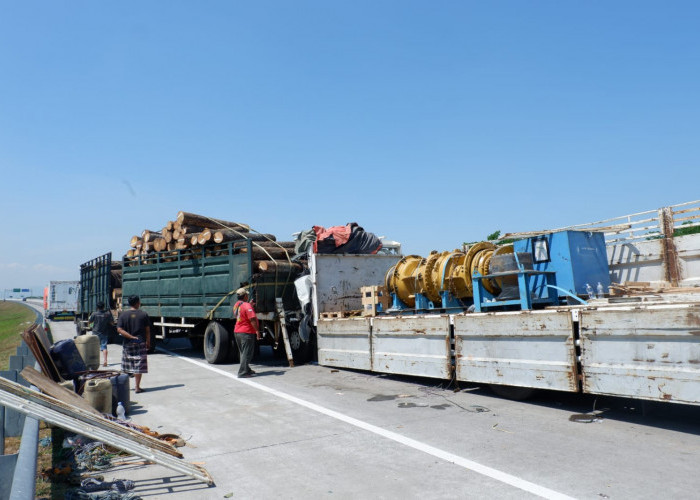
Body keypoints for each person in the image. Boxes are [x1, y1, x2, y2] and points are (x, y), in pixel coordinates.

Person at [117, 295, 151, 393]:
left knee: (127, 366)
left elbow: (119, 329)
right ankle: (137, 387)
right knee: (138, 366)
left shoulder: (123, 315)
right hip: (140, 343)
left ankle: (124, 387)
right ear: (137, 303)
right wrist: (148, 342)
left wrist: (130, 337)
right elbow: (148, 330)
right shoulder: (143, 314)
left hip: (128, 343)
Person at [233, 287, 260, 378]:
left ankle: (247, 369)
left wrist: (250, 305)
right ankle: (242, 372)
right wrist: (257, 331)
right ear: (245, 296)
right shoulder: (247, 306)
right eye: (247, 294)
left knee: (243, 352)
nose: (248, 295)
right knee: (247, 353)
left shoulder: (237, 305)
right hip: (246, 332)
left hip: (238, 331)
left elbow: (242, 312)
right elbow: (252, 319)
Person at [88, 301, 115, 367]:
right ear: (103, 307)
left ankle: (93, 361)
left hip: (95, 332)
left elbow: (90, 322)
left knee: (94, 347)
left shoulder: (94, 314)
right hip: (104, 333)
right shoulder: (107, 314)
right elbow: (112, 323)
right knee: (104, 347)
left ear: (97, 307)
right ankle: (105, 361)